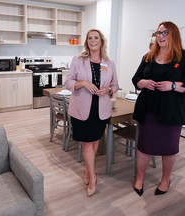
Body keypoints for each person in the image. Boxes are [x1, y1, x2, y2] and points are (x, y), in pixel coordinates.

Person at [131, 21, 185, 196]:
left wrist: (174, 86)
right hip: (149, 109)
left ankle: (165, 180)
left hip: (172, 111)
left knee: (169, 147)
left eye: (165, 33)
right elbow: (136, 78)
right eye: (158, 33)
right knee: (144, 146)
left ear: (174, 35)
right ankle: (139, 178)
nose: (160, 36)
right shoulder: (148, 56)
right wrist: (144, 82)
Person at [65, 29, 119, 197]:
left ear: (101, 41)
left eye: (96, 38)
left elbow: (116, 85)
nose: (93, 40)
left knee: (95, 142)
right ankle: (92, 177)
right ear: (87, 41)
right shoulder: (78, 60)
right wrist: (82, 83)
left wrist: (108, 89)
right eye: (90, 38)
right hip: (82, 109)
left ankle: (88, 172)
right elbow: (67, 82)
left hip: (100, 110)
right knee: (87, 143)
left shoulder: (109, 63)